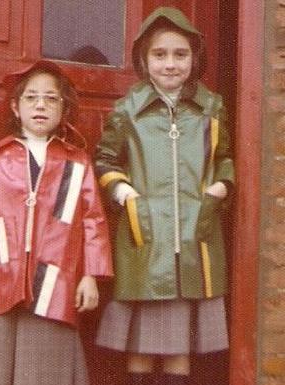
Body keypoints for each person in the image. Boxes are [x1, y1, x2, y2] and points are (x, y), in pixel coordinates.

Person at [95, 7, 235, 385]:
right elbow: (105, 160)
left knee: (178, 346)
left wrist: (221, 187)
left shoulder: (211, 108)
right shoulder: (128, 110)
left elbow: (225, 158)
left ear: (195, 58)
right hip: (147, 238)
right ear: (144, 59)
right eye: (159, 55)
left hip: (193, 234)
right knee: (140, 345)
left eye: (180, 54)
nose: (170, 64)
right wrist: (123, 192)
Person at [0, 59, 113, 385]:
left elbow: (93, 219)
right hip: (3, 275)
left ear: (63, 109)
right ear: (16, 107)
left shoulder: (76, 162)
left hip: (55, 279)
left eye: (51, 98)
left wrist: (91, 276)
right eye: (31, 98)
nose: (40, 105)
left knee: (48, 362)